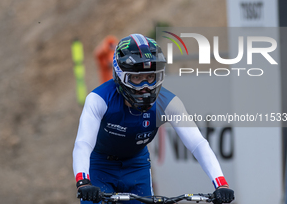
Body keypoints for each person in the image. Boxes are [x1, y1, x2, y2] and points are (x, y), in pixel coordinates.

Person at [73, 34, 234, 204]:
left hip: (136, 165)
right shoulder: (99, 99)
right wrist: (83, 181)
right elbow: (83, 143)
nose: (145, 87)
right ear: (121, 76)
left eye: (151, 77)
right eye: (137, 78)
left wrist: (220, 184)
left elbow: (197, 143)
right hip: (100, 165)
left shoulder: (168, 103)